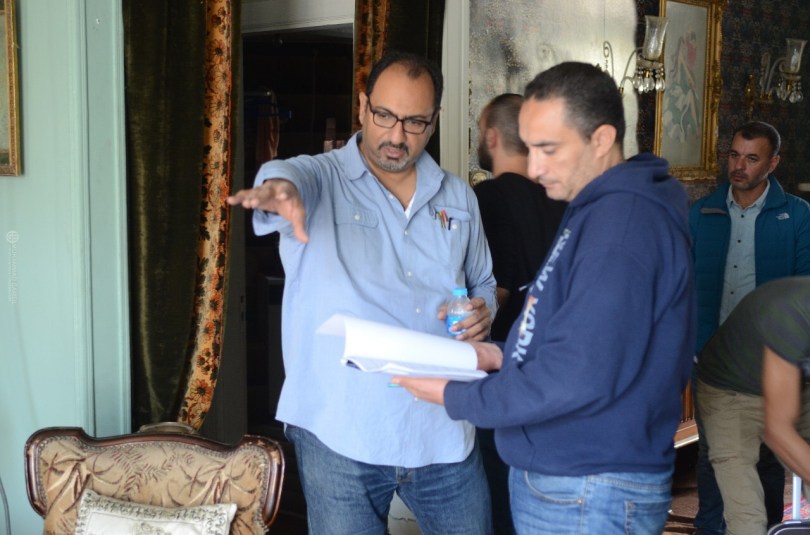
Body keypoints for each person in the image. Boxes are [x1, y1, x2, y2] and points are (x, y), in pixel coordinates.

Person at [393, 62, 695, 534]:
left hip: (588, 484)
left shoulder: (622, 228)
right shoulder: (595, 209)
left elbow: (577, 376)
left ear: (601, 139)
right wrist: (501, 354)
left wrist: (453, 395)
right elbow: (580, 336)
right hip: (577, 476)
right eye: (530, 148)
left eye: (549, 149)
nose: (533, 169)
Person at [227, 51, 497, 535]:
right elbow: (288, 177)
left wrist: (484, 311)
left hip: (443, 428)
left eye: (414, 122)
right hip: (341, 429)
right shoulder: (322, 177)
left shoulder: (458, 197)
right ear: (362, 106)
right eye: (384, 115)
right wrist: (279, 191)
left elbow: (483, 282)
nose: (397, 135)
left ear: (434, 121)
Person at [690, 120, 810, 534]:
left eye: (752, 158)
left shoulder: (797, 215)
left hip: (779, 354)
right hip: (714, 358)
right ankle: (710, 529)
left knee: (771, 458)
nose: (739, 166)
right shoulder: (701, 213)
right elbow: (684, 286)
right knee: (713, 459)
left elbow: (803, 284)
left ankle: (773, 527)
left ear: (772, 163)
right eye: (734, 155)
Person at [472, 92, 566, 535]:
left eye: (479, 131)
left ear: (492, 137)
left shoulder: (487, 198)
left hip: (502, 363)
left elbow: (498, 290)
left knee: (498, 489)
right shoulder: (563, 197)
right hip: (555, 362)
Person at [695, 276, 810, 535]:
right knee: (747, 519)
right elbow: (777, 430)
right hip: (729, 391)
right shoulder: (792, 312)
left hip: (795, 383)